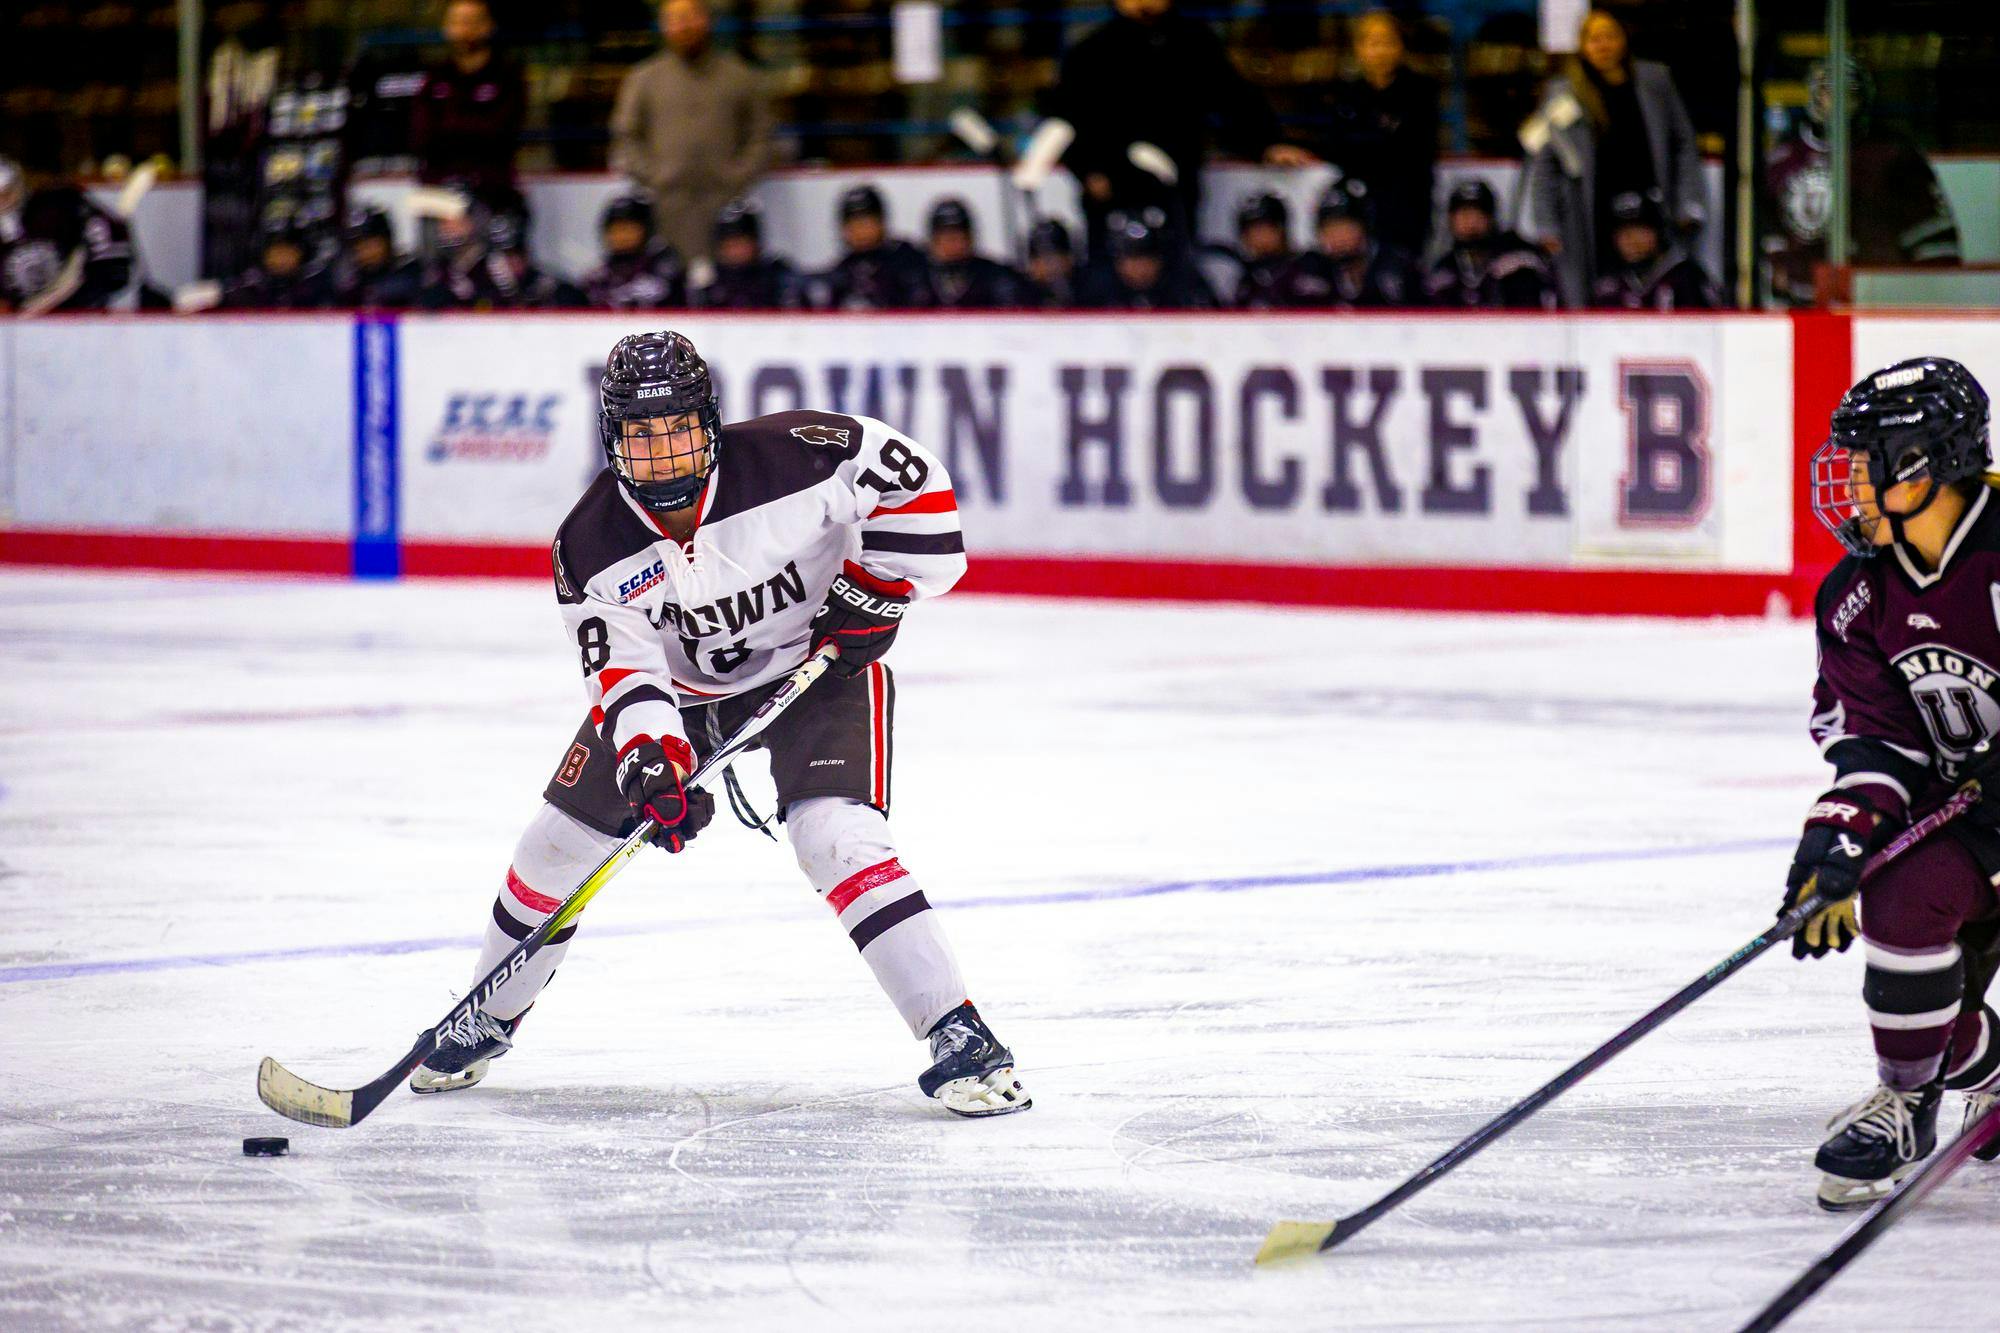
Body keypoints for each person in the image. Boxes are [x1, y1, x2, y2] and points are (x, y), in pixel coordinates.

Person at [409, 330, 1031, 1120]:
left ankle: (961, 1033)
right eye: (641, 431)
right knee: (554, 844)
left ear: (709, 421)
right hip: (684, 690)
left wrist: (878, 585)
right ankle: (488, 1015)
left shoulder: (804, 455)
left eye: (676, 426)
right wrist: (650, 761)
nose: (663, 449)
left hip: (820, 665)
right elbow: (627, 672)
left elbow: (921, 487)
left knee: (836, 835)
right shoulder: (590, 546)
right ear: (612, 438)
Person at [1787, 356, 2000, 1210]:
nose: (1851, 485)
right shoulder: (1856, 595)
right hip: (1978, 817)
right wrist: (1835, 843)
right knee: (1897, 888)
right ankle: (1913, 1100)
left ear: (1924, 462)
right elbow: (1876, 742)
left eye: (1869, 462)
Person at [1049, 0, 1313, 259]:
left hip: (1175, 188)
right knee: (1110, 274)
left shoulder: (1193, 41)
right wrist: (1089, 170)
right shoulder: (1091, 51)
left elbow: (1233, 98)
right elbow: (1067, 120)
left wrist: (1268, 142)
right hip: (1113, 189)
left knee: (1176, 266)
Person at [1523, 8, 1704, 307]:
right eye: (1594, 39)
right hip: (1592, 212)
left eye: (1610, 36)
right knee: (1598, 290)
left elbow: (1683, 143)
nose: (1603, 45)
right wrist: (1547, 224)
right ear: (1582, 45)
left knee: (1655, 283)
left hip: (1651, 203)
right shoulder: (1563, 93)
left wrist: (1689, 202)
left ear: (1624, 40)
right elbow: (1544, 163)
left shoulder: (1654, 80)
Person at [1764, 58, 1960, 307]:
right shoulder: (1783, 159)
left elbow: (1934, 238)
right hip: (1801, 301)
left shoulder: (1892, 154)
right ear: (1814, 96)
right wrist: (1778, 269)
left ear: (1864, 98)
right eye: (1828, 91)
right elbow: (1767, 230)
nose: (1838, 100)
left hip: (1877, 297)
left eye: (1849, 92)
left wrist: (1928, 292)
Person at [611, 0, 774, 264]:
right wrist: (653, 176)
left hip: (726, 205)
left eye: (690, 17)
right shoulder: (644, 79)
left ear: (706, 20)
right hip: (666, 207)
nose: (684, 26)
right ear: (663, 26)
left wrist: (738, 176)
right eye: (675, 20)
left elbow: (761, 134)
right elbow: (626, 137)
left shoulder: (740, 76)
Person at [1314, 11, 1440, 260]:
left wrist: (1369, 144)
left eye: (1388, 41)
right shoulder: (1347, 96)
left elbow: (1413, 150)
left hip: (1407, 205)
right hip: (1359, 205)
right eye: (1372, 42)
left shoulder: (1420, 92)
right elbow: (1337, 148)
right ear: (1358, 48)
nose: (1380, 50)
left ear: (1401, 46)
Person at [409, 0, 525, 196]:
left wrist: (451, 129)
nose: (465, 29)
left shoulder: (506, 76)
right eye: (458, 22)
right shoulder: (435, 76)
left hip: (491, 189)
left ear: (488, 26)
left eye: (472, 21)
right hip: (438, 189)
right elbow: (420, 135)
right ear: (447, 28)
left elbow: (501, 132)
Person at [1275, 178, 1420, 309]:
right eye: (1329, 229)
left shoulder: (1399, 267)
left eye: (1346, 228)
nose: (1338, 237)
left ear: (1365, 229)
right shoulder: (1306, 271)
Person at [1424, 179, 1557, 310]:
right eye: (1463, 213)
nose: (1471, 222)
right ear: (1451, 219)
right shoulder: (1444, 271)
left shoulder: (1518, 261)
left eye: (1478, 213)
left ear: (1491, 218)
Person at [2, 184, 135, 314]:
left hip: (88, 313)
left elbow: (111, 267)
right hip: (28, 318)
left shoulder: (60, 205)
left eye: (6, 193)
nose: (3, 202)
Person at [1586, 189, 1720, 310]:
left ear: (1660, 233)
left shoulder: (1687, 279)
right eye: (1622, 232)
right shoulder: (1607, 287)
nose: (1630, 239)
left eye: (1639, 230)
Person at [813, 185, 929, 311]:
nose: (860, 230)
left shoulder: (909, 259)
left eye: (866, 222)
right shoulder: (839, 274)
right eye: (853, 224)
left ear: (881, 222)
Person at [1078, 207, 1215, 310]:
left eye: (1147, 259)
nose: (1140, 267)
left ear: (1161, 260)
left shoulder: (1186, 285)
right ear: (1117, 261)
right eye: (1132, 259)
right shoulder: (1097, 289)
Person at [688, 198, 803, 310]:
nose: (734, 251)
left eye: (740, 243)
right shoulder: (711, 279)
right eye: (728, 246)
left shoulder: (777, 276)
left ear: (755, 243)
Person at [581, 193, 688, 310]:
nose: (621, 236)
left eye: (628, 229)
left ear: (646, 230)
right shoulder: (596, 280)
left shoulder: (665, 271)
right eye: (614, 229)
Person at [918, 198, 1025, 310]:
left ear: (970, 239)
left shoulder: (995, 277)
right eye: (944, 237)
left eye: (957, 236)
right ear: (932, 241)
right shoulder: (916, 278)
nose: (951, 244)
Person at [220, 224, 334, 310]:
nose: (282, 258)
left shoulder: (314, 286)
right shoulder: (248, 287)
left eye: (287, 252)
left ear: (299, 255)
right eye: (276, 252)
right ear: (265, 256)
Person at [332, 204, 423, 309]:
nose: (363, 252)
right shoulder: (351, 281)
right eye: (358, 246)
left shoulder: (409, 273)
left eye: (369, 244)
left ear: (387, 242)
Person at [1231, 192, 1295, 310]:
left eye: (1263, 228)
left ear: (1280, 229)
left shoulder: (1306, 269)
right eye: (1251, 230)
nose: (1258, 236)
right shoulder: (1245, 279)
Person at [1022, 219, 1078, 309]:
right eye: (1042, 259)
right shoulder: (1019, 295)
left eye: (1056, 257)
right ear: (1032, 264)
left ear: (1069, 259)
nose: (1050, 266)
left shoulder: (1087, 291)